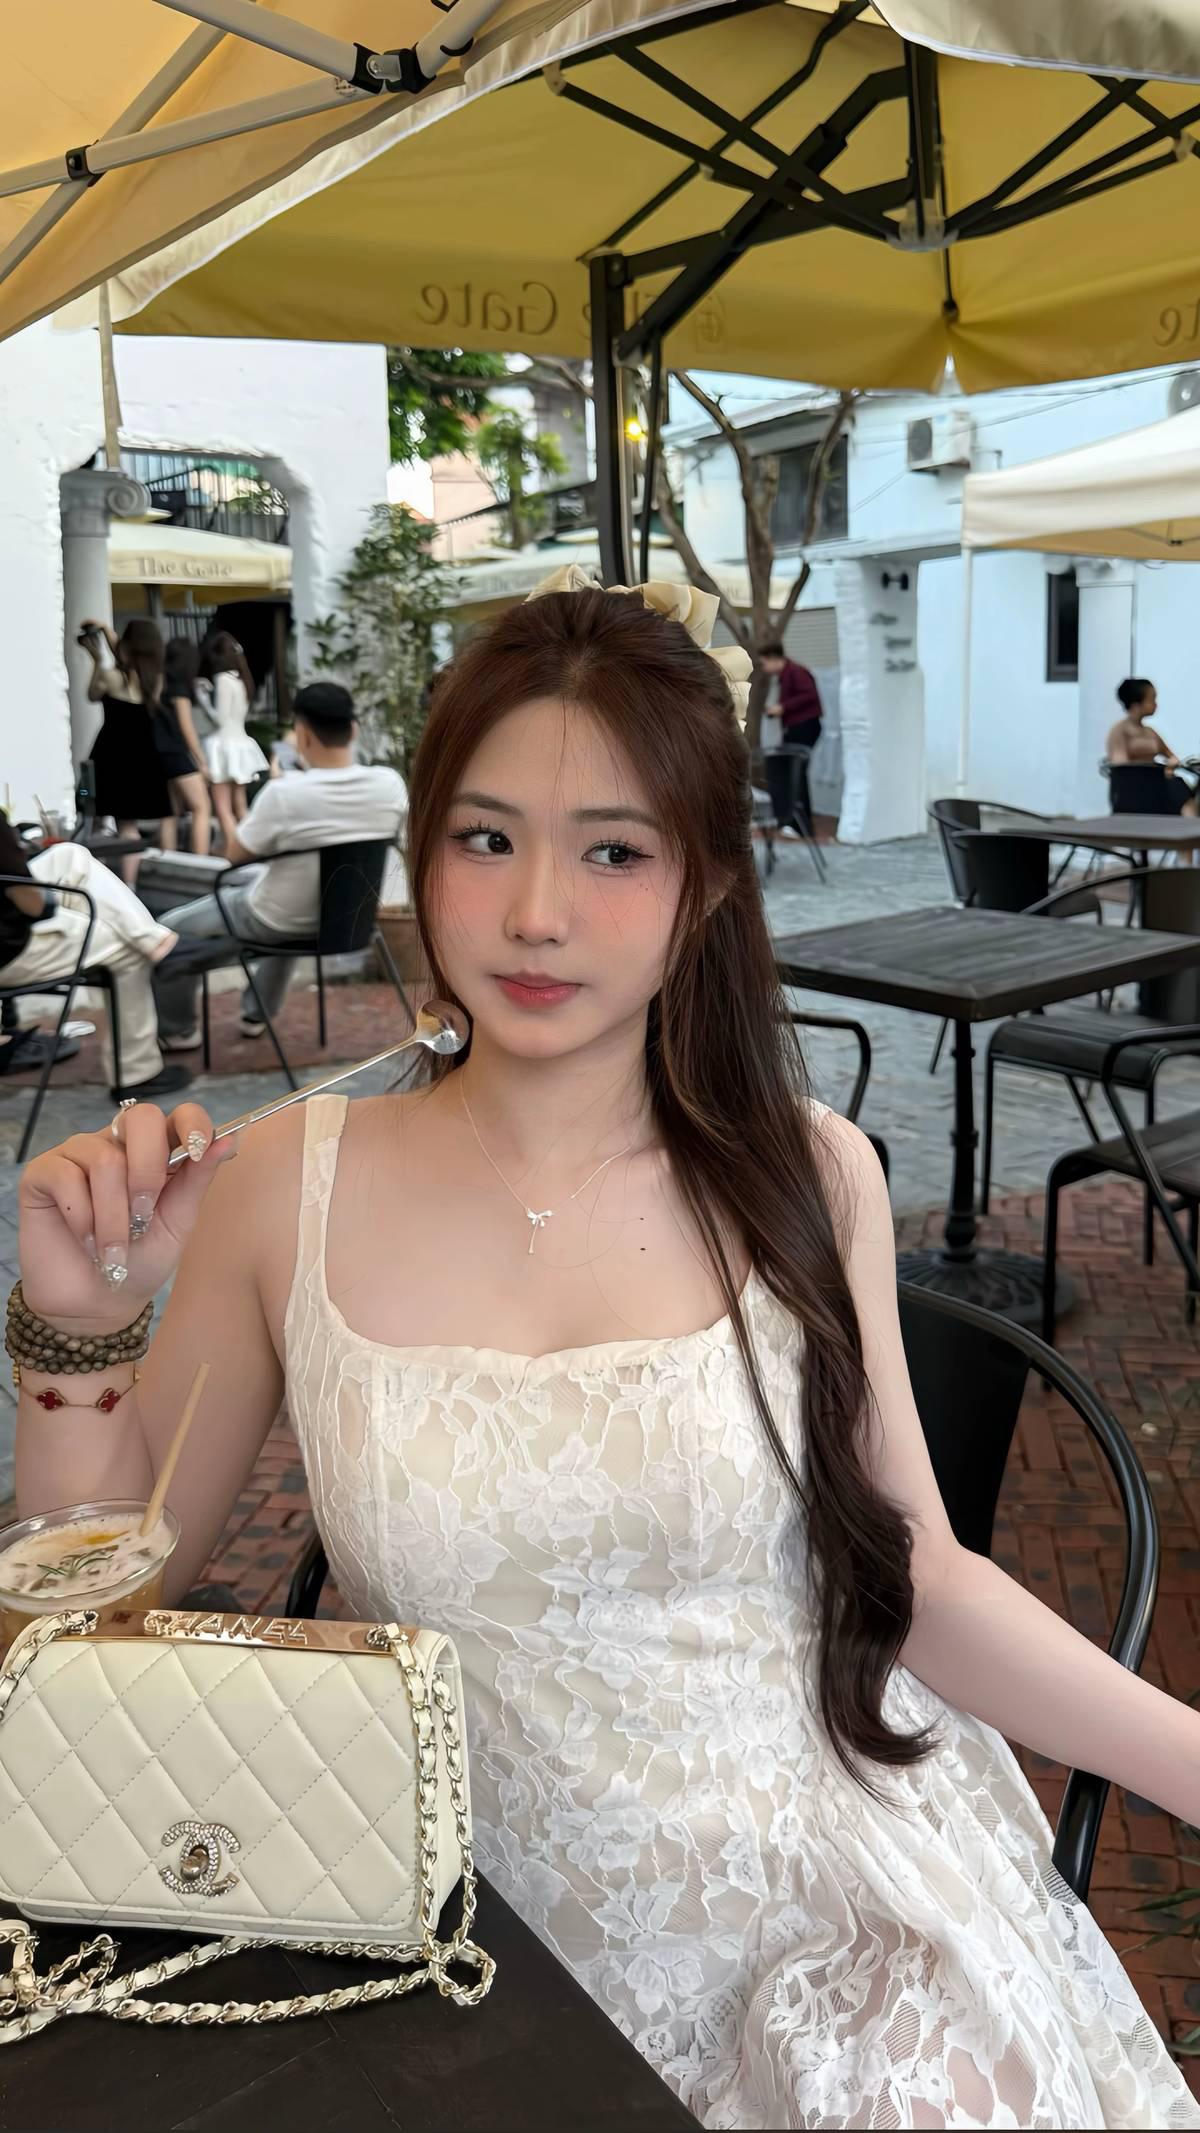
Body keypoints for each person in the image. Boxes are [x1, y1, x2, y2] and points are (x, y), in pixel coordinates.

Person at [14, 577, 1200, 2131]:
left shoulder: (810, 1174)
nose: (535, 914)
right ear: (425, 850)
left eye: (614, 851)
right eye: (485, 838)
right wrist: (78, 1332)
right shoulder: (283, 1186)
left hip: (836, 1899)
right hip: (463, 1940)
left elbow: (918, 1580)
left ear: (704, 887)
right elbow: (90, 1636)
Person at [154, 680, 406, 1048]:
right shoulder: (390, 785)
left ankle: (177, 1030)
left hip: (276, 920)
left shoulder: (284, 792)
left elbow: (234, 855)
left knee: (165, 930)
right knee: (284, 894)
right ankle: (257, 1013)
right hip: (349, 920)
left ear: (302, 735)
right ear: (353, 730)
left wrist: (279, 782)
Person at [0, 812, 189, 1101]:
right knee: (126, 949)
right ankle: (136, 1074)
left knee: (68, 856)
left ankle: (152, 938)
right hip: (9, 952)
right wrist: (47, 905)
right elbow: (33, 905)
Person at [79, 617, 170, 882]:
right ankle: (129, 885)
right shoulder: (155, 681)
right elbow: (131, 655)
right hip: (142, 758)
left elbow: (92, 695)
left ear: (127, 647)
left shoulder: (111, 678)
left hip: (109, 757)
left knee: (93, 819)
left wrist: (97, 659)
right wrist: (109, 633)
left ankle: (95, 883)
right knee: (129, 827)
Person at [196, 631, 268, 852]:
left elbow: (220, 718)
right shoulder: (242, 679)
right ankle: (251, 849)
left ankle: (234, 851)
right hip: (241, 744)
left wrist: (202, 698)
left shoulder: (223, 680)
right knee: (240, 806)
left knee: (223, 808)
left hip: (222, 747)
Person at [1106, 678, 1198, 816]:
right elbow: (1122, 768)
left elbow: (1170, 755)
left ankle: (1191, 821)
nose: (1155, 704)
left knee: (1179, 786)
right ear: (1136, 704)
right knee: (1176, 787)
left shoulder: (1150, 732)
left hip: (1156, 783)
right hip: (1134, 787)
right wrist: (1159, 772)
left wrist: (1171, 764)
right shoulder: (1119, 731)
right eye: (1152, 699)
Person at [155, 638, 212, 857]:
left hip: (159, 753)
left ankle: (167, 858)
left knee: (169, 812)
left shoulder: (159, 685)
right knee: (201, 807)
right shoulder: (179, 689)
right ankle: (200, 862)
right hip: (177, 754)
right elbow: (187, 728)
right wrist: (202, 761)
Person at [757, 637, 824, 751]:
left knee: (795, 758)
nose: (764, 668)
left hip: (804, 725)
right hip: (796, 726)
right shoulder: (786, 674)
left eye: (764, 663)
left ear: (773, 658)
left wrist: (783, 707)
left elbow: (809, 694)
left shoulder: (796, 672)